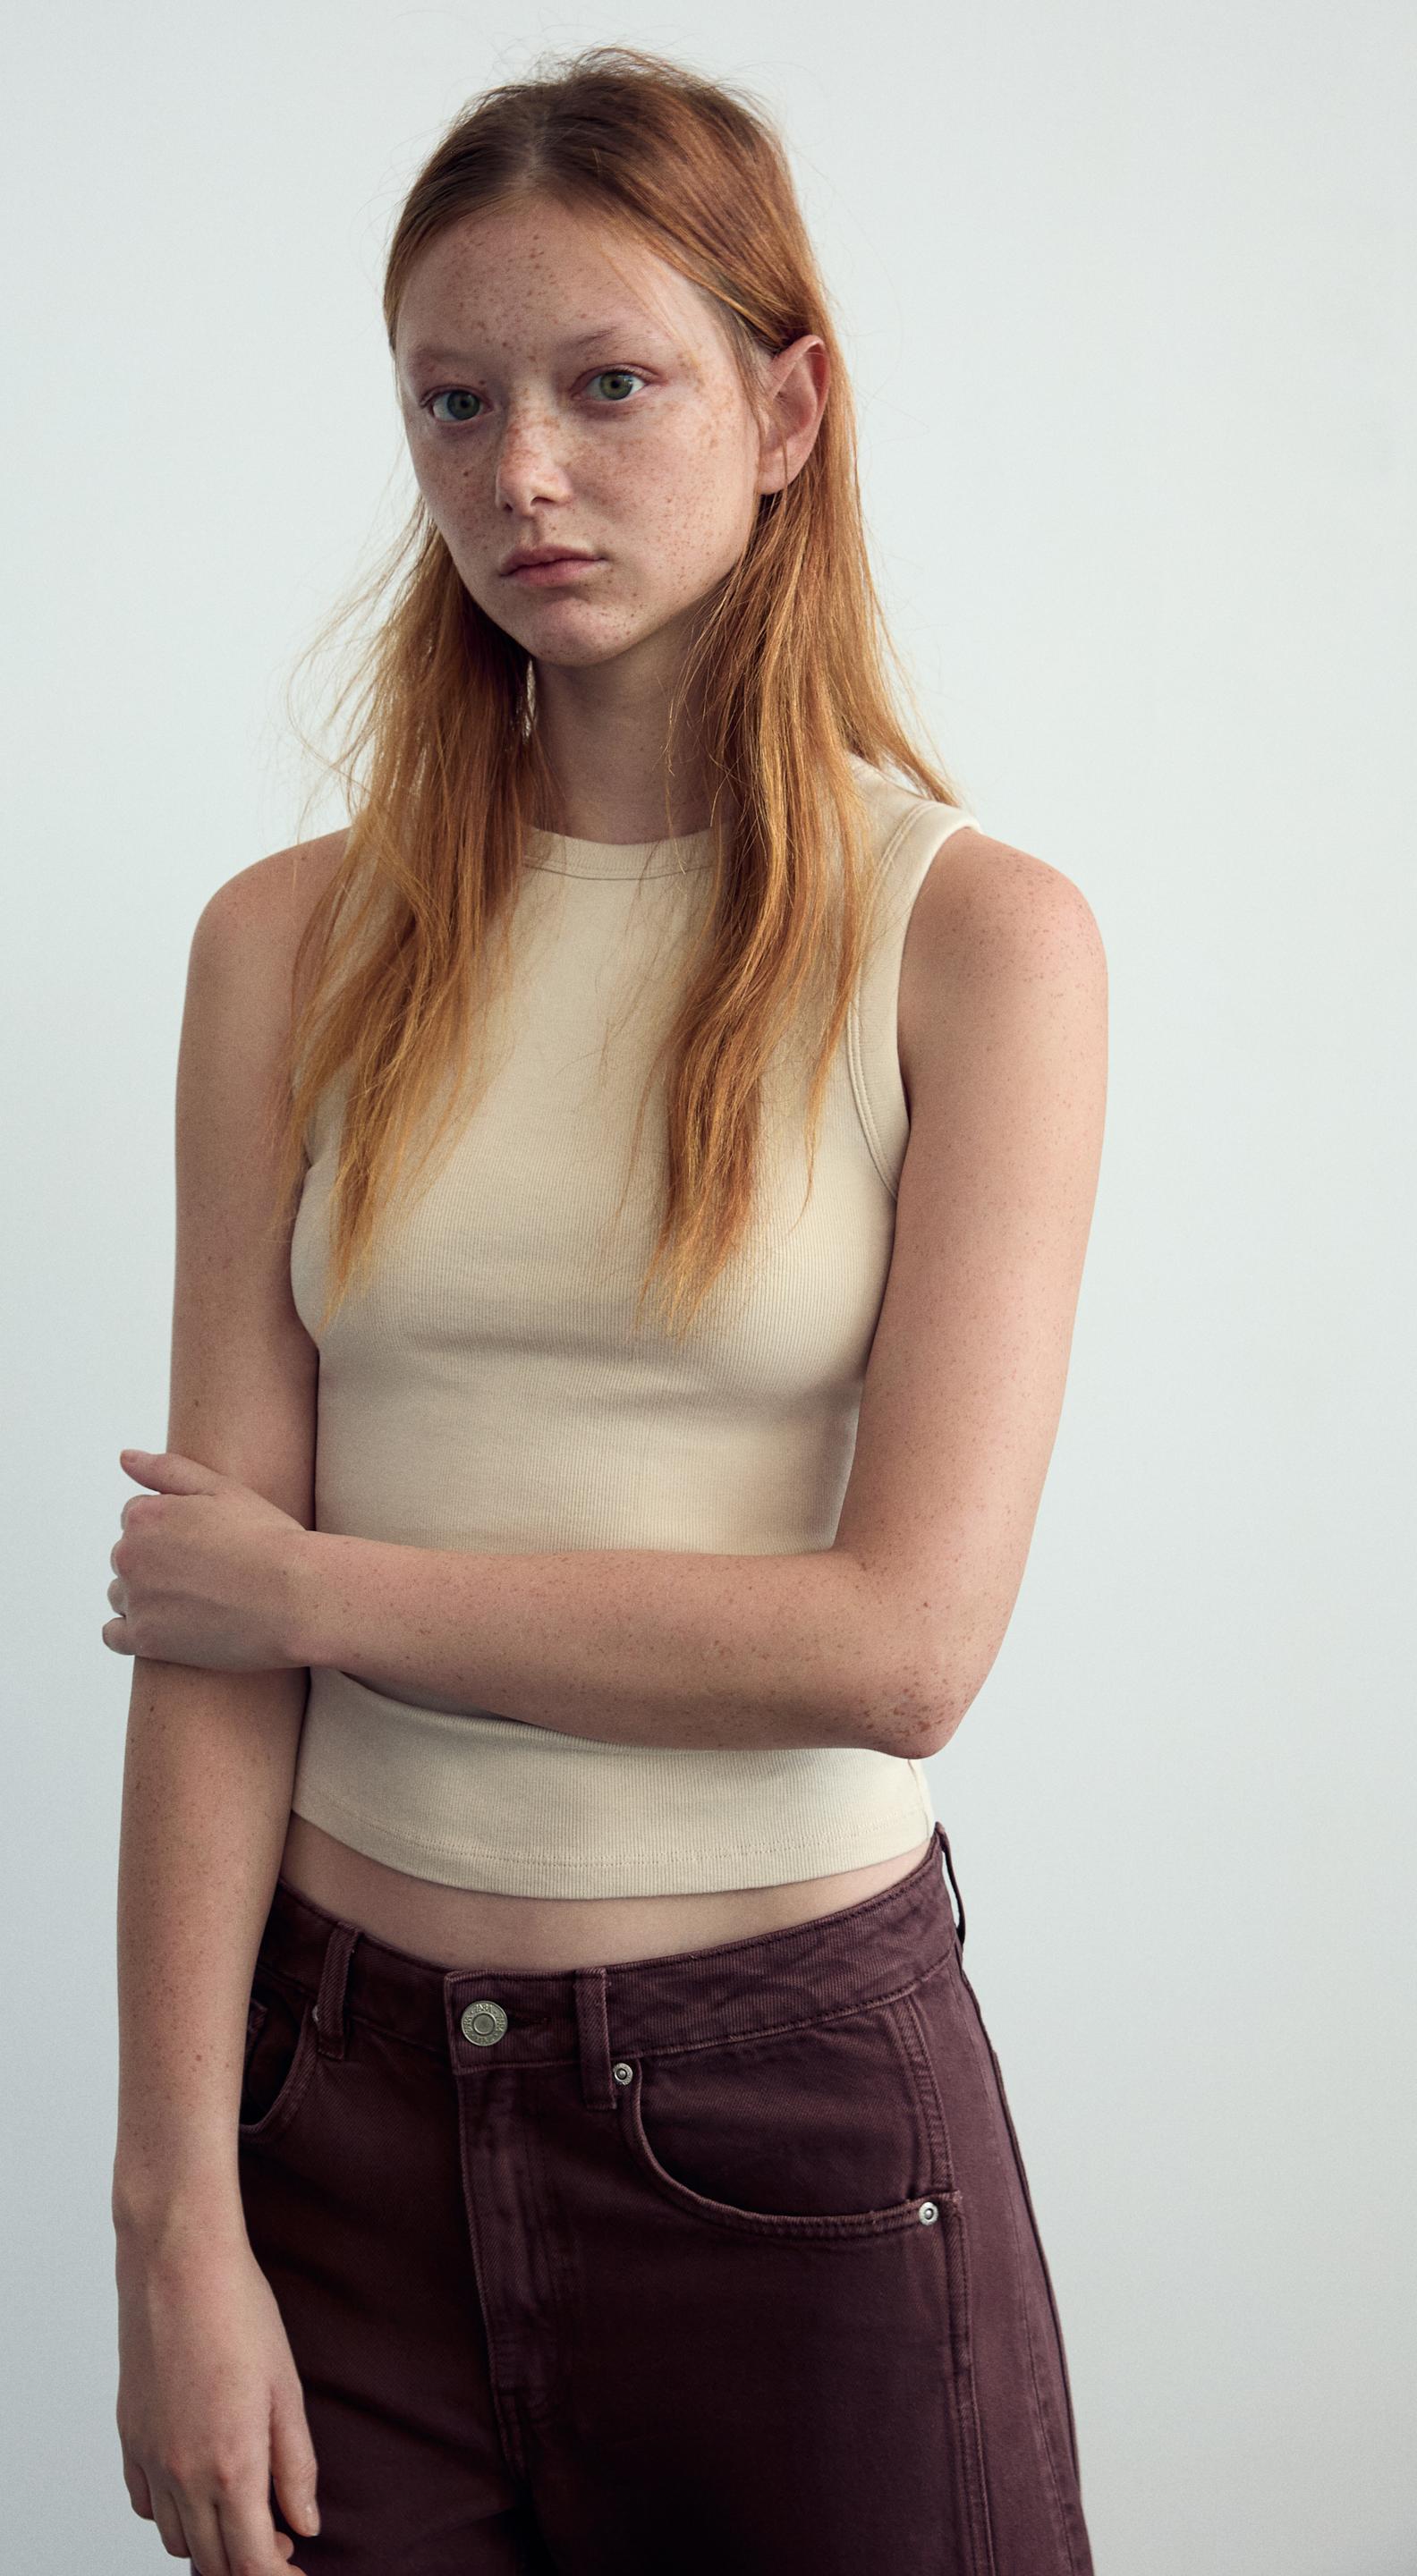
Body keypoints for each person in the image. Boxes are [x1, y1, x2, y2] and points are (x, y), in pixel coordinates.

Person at [102, 43, 1107, 2576]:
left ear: (787, 410)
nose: (521, 473)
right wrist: (172, 2216)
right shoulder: (288, 946)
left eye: (608, 385)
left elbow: (901, 1649)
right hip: (327, 2104)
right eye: (455, 402)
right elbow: (203, 1649)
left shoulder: (974, 944)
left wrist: (317, 1591)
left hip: (784, 2125)